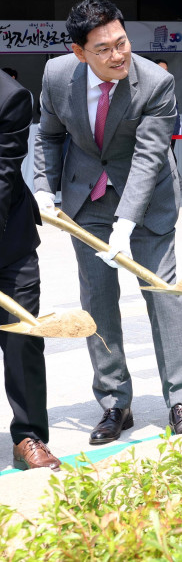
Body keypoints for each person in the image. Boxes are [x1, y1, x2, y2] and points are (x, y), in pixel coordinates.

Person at [32, 0, 182, 444]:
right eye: (102, 49)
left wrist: (126, 223)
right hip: (87, 204)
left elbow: (148, 156)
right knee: (98, 304)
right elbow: (48, 135)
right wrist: (44, 188)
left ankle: (179, 400)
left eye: (121, 42)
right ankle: (114, 403)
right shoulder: (57, 76)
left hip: (148, 203)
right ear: (78, 52)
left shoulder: (157, 83)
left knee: (163, 295)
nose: (117, 55)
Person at [0, 70, 58, 471]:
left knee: (23, 336)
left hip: (10, 243)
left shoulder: (10, 96)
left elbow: (3, 174)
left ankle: (28, 436)